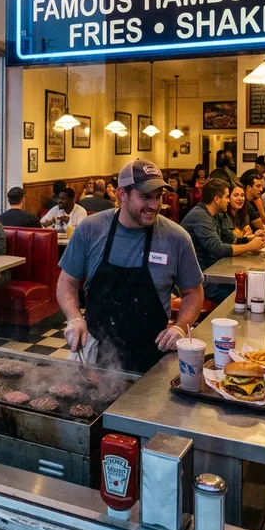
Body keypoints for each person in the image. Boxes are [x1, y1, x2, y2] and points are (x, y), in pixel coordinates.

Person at [57, 159, 204, 373]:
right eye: (145, 197)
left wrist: (180, 328)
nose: (154, 205)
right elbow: (66, 283)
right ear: (122, 194)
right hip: (95, 351)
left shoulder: (177, 238)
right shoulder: (91, 229)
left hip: (153, 356)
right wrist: (73, 318)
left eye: (158, 197)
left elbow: (193, 293)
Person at [181, 179, 264, 304]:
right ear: (216, 199)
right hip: (195, 280)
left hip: (209, 271)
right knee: (242, 293)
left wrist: (248, 239)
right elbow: (218, 249)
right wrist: (249, 247)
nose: (229, 200)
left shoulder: (214, 215)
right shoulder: (200, 216)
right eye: (227, 197)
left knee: (247, 286)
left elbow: (228, 238)